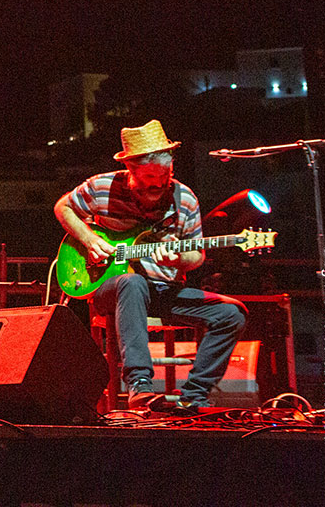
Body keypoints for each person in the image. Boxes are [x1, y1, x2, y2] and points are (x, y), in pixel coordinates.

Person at [54, 119, 246, 413]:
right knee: (133, 283)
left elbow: (196, 256)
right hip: (113, 288)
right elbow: (63, 207)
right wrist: (90, 240)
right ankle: (140, 387)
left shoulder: (184, 199)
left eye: (165, 175)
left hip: (165, 290)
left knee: (232, 314)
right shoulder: (102, 186)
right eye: (148, 178)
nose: (157, 183)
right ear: (130, 170)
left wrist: (179, 259)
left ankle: (193, 395)